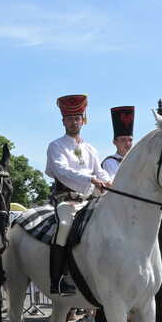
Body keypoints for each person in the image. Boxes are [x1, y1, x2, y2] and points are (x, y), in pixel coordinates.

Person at [45, 94, 112, 295]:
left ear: (83, 120)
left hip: (90, 200)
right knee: (65, 226)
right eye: (70, 119)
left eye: (77, 118)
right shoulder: (56, 146)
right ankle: (57, 279)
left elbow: (101, 172)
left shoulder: (90, 148)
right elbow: (61, 170)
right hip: (66, 200)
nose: (74, 122)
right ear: (63, 121)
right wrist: (90, 179)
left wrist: (109, 182)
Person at [101, 106, 134, 179]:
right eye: (123, 140)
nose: (128, 143)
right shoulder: (109, 163)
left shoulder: (137, 162)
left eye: (130, 140)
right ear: (114, 142)